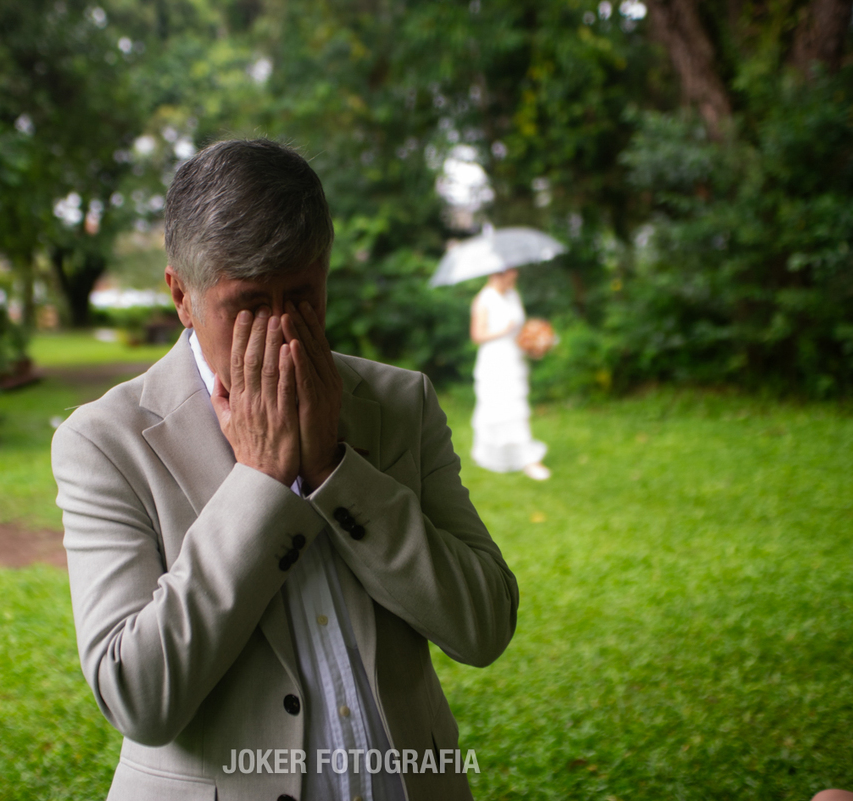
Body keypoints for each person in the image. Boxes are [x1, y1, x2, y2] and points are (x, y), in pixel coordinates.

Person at [51, 139, 518, 801]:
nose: (283, 332)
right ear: (182, 296)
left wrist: (335, 469)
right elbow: (137, 695)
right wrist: (262, 482)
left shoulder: (399, 402)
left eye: (302, 296)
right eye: (246, 305)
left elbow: (484, 624)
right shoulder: (104, 441)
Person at [469, 267, 550, 480]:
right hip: (494, 360)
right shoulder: (484, 299)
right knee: (498, 408)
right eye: (511, 274)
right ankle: (515, 459)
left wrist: (534, 342)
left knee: (517, 408)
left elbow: (520, 329)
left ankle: (524, 457)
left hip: (514, 359)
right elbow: (477, 335)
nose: (515, 277)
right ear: (497, 274)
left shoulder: (514, 295)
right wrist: (503, 331)